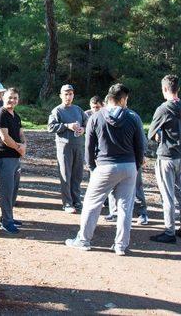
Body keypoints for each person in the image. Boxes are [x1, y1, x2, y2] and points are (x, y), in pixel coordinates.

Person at [65, 83, 145, 256]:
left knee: (92, 204)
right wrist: (136, 166)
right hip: (129, 166)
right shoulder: (133, 117)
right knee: (125, 207)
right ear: (123, 99)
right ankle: (121, 246)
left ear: (108, 98)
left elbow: (89, 145)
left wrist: (92, 166)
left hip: (104, 166)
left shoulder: (96, 117)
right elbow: (140, 146)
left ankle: (84, 240)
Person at [148, 74, 181, 244]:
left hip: (166, 156)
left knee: (168, 195)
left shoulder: (163, 109)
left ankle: (169, 232)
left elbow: (151, 133)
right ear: (177, 89)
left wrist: (159, 135)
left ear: (165, 89)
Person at [47, 84, 88, 214]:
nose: (68, 96)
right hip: (64, 146)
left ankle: (77, 201)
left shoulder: (78, 109)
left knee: (77, 175)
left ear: (73, 95)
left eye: (70, 94)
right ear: (61, 95)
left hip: (79, 146)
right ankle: (67, 203)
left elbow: (88, 123)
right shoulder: (57, 110)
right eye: (65, 94)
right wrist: (66, 126)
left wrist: (84, 129)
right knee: (66, 174)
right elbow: (50, 127)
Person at [0, 88, 26, 234]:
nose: (12, 100)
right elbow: (5, 138)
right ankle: (7, 222)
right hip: (5, 157)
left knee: (13, 190)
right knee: (6, 191)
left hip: (15, 158)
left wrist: (24, 145)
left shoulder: (15, 115)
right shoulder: (0, 115)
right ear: (3, 98)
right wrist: (20, 148)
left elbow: (21, 133)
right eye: (10, 97)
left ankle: (7, 216)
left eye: (15, 98)